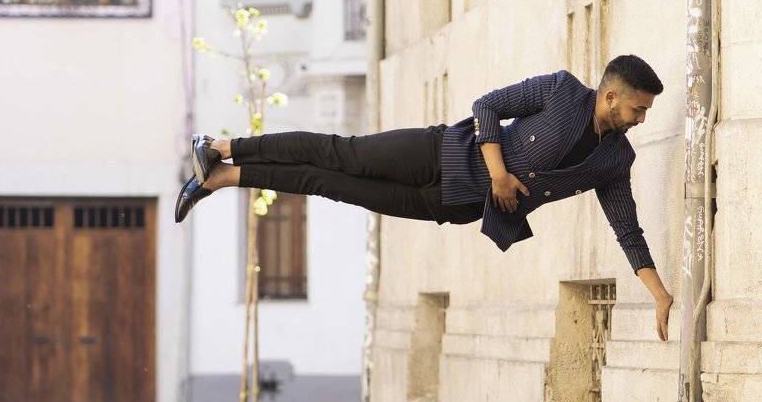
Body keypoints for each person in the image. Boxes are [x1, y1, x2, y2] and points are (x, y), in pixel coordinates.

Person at [177, 54, 675, 340]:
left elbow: (626, 227)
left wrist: (658, 294)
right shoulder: (562, 91)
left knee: (329, 184)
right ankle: (221, 146)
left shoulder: (614, 160)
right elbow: (487, 106)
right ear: (610, 96)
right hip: (437, 152)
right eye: (638, 109)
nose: (641, 119)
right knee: (338, 153)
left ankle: (221, 179)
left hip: (449, 206)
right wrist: (499, 174)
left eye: (646, 112)